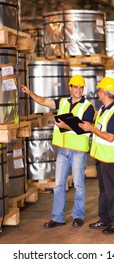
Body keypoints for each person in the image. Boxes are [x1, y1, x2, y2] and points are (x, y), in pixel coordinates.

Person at [21, 75, 95, 228]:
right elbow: (44, 101)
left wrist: (64, 125)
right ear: (70, 88)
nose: (79, 90)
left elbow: (85, 127)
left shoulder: (88, 106)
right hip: (63, 150)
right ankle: (58, 218)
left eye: (81, 88)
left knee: (79, 184)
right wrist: (30, 93)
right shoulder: (63, 102)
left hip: (78, 151)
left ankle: (78, 216)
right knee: (59, 185)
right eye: (76, 87)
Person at [79, 76, 114, 235]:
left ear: (105, 93)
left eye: (99, 89)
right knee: (104, 191)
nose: (97, 92)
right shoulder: (103, 110)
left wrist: (91, 129)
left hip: (110, 158)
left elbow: (110, 137)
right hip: (101, 156)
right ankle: (105, 219)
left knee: (113, 191)